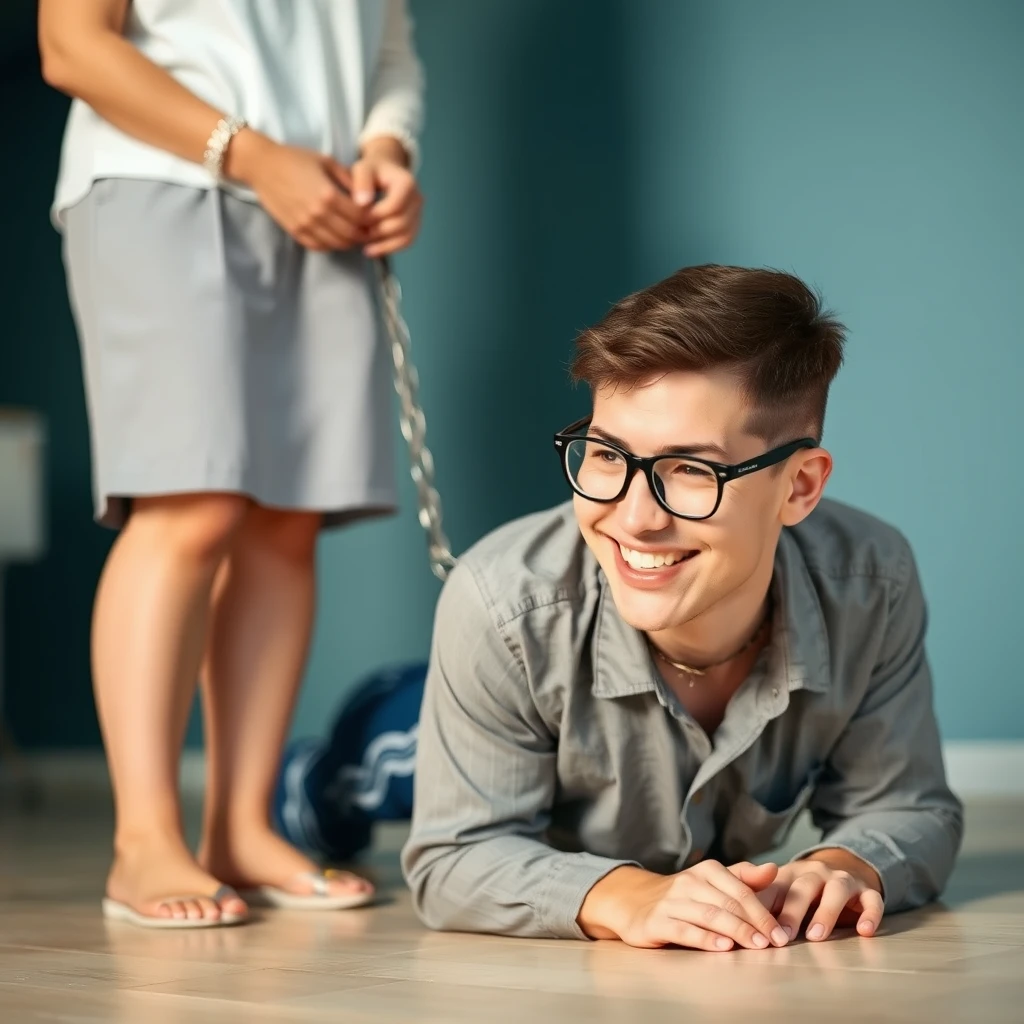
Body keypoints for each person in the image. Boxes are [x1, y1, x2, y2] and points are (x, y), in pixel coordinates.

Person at [402, 264, 963, 950]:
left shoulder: (873, 581)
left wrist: (843, 866)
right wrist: (630, 898)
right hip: (429, 727)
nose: (634, 520)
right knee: (353, 780)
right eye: (608, 454)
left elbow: (908, 806)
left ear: (800, 487)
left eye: (692, 470)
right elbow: (454, 854)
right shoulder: (499, 605)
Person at [39, 0, 424, 928]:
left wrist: (390, 151)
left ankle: (240, 826)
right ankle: (143, 842)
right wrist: (251, 156)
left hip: (325, 204)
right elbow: (71, 43)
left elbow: (390, 49)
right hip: (158, 178)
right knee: (191, 503)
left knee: (289, 520)